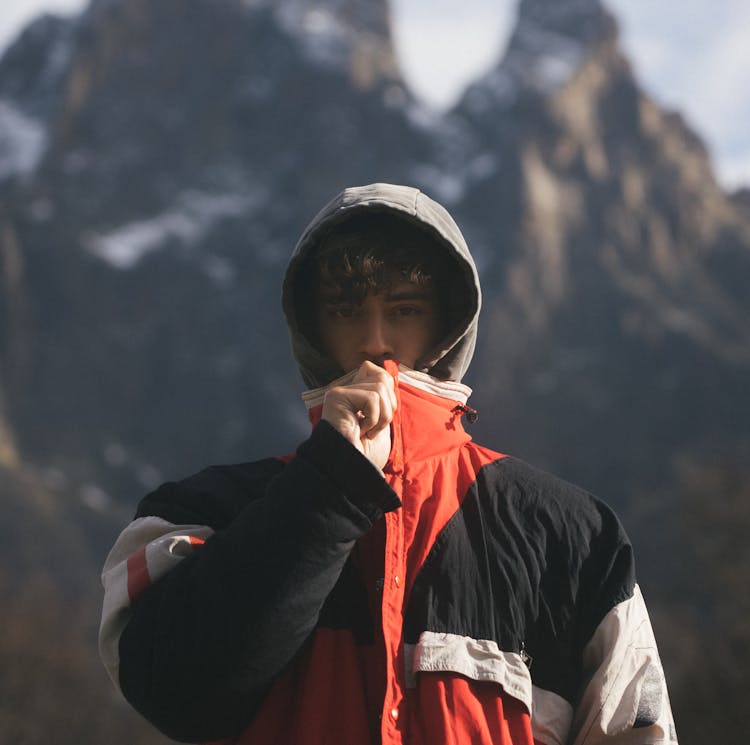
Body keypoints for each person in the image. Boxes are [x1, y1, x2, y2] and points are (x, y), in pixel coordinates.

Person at [99, 182, 677, 745]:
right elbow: (174, 695)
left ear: (446, 329)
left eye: (404, 309)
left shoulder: (572, 536)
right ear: (313, 331)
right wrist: (328, 485)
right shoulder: (204, 511)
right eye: (346, 310)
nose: (375, 341)